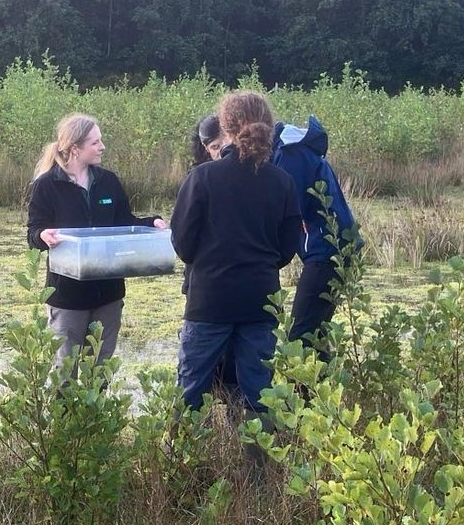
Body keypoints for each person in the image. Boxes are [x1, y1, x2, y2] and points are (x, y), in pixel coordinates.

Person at [171, 91, 301, 432]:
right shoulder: (282, 182)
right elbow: (289, 248)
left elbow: (183, 245)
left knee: (191, 392)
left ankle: (182, 475)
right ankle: (259, 477)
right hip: (260, 299)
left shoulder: (202, 178)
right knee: (260, 395)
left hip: (209, 300)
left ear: (226, 130)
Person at [26, 113, 167, 361]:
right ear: (75, 148)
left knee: (100, 370)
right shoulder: (47, 185)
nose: (102, 146)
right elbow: (32, 234)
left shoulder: (108, 181)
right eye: (95, 142)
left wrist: (151, 223)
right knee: (65, 373)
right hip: (67, 296)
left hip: (108, 294)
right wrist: (42, 236)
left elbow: (124, 223)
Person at [271, 115, 358, 347]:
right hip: (333, 250)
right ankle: (326, 382)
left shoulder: (291, 155)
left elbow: (287, 212)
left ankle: (306, 384)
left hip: (327, 252)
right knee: (315, 335)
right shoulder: (291, 151)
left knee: (300, 338)